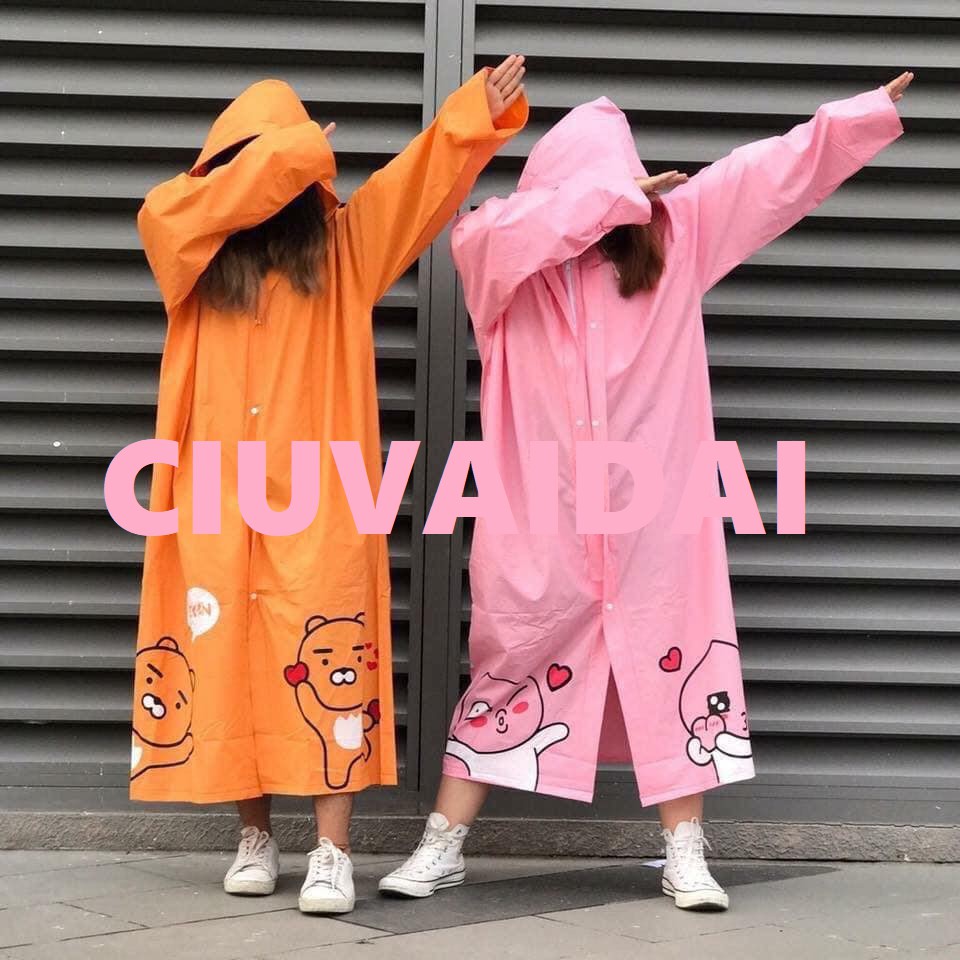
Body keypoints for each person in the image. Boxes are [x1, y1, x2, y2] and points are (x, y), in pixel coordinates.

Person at [380, 71, 912, 911]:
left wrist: (859, 116)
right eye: (597, 187)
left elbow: (771, 174)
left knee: (674, 659)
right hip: (543, 517)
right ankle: (442, 843)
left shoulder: (679, 235)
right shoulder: (502, 257)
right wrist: (609, 197)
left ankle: (684, 852)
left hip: (657, 515)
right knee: (509, 663)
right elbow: (495, 232)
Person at [132, 56, 528, 915]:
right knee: (227, 651)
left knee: (329, 650)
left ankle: (332, 849)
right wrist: (291, 153)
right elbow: (173, 208)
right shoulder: (188, 249)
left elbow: (418, 184)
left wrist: (470, 114)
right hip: (214, 488)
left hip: (320, 491)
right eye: (258, 161)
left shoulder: (346, 250)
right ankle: (254, 835)